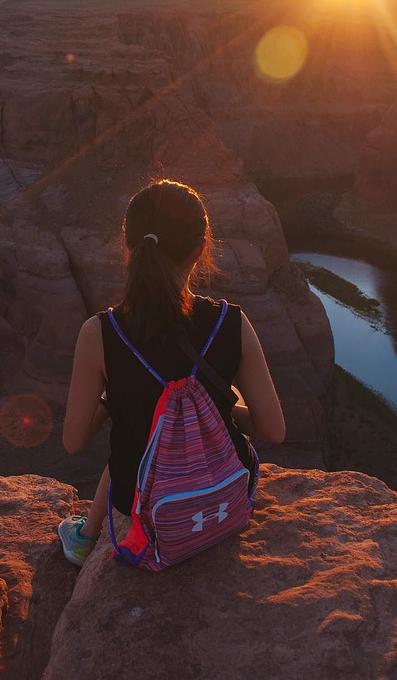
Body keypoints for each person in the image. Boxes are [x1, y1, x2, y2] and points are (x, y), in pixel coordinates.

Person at [58, 180, 286, 566]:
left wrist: (114, 398)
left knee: (137, 438)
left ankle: (83, 538)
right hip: (223, 493)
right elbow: (273, 430)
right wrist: (217, 408)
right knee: (145, 435)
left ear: (129, 247)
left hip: (144, 502)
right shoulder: (232, 323)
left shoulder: (100, 333)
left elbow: (73, 441)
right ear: (200, 250)